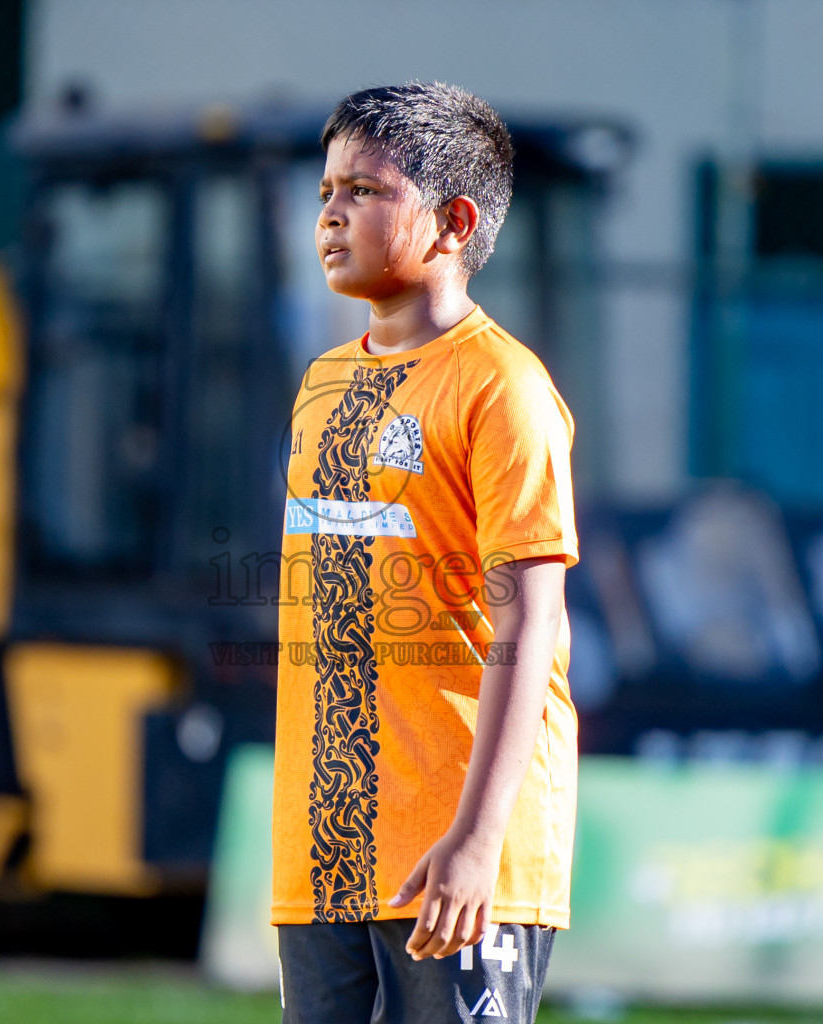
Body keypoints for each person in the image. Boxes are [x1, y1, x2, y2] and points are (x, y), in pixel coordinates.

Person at [272, 82, 580, 1023]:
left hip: (457, 852)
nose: (331, 212)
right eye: (326, 190)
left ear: (453, 223)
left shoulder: (503, 388)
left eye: (365, 191)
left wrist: (478, 839)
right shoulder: (323, 384)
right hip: (323, 855)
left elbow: (531, 622)